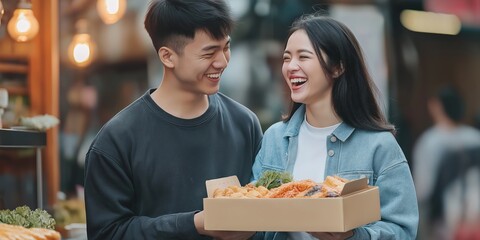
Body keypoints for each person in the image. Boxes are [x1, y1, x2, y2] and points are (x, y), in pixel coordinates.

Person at [83, 0, 263, 239]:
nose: (222, 61)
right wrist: (195, 224)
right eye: (209, 52)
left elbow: (266, 214)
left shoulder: (245, 124)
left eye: (226, 47)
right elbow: (107, 233)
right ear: (168, 57)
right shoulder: (116, 141)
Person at [251, 14, 418, 240]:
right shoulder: (274, 139)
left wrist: (353, 236)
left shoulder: (379, 146)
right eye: (287, 58)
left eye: (304, 56)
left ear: (338, 67)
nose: (291, 66)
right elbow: (254, 216)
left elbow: (403, 230)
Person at [413, 86, 480, 239]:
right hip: (475, 221)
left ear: (437, 107)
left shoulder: (429, 142)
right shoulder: (475, 138)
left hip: (441, 223)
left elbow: (423, 189)